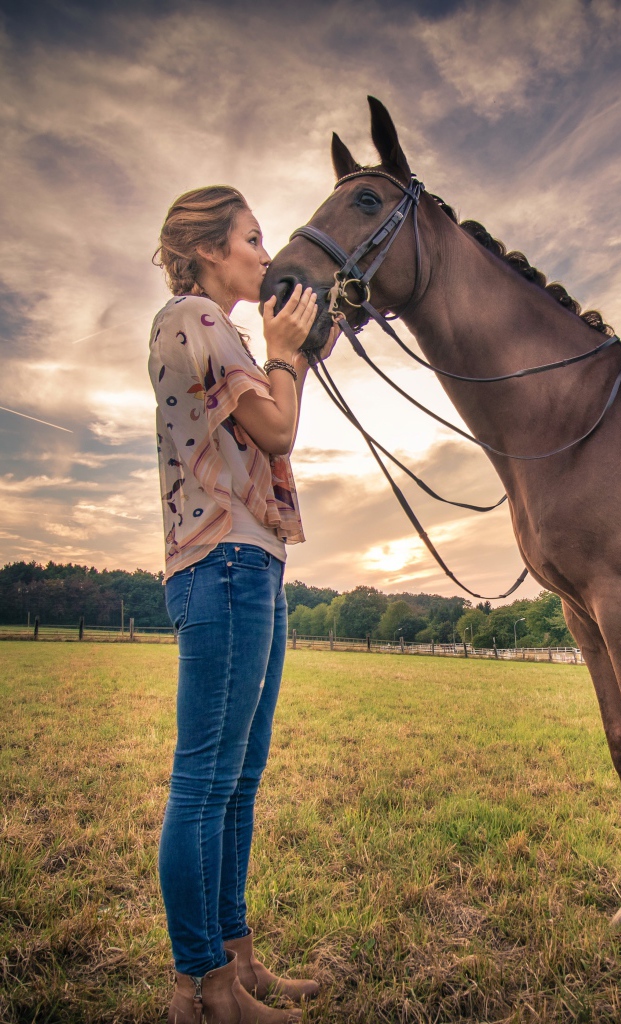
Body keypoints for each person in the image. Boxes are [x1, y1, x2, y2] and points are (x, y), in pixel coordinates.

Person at [150, 185, 336, 1023]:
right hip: (223, 564)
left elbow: (266, 423)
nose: (267, 256)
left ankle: (236, 958)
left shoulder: (214, 328)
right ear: (210, 251)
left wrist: (282, 352)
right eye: (253, 239)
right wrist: (285, 351)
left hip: (250, 563)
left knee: (238, 780)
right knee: (206, 782)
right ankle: (202, 988)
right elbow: (279, 429)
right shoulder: (195, 316)